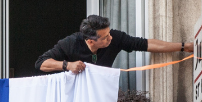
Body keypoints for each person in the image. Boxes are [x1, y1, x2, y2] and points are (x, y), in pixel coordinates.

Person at [36, 15, 193, 75]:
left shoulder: (115, 38)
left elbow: (146, 44)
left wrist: (183, 46)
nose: (110, 38)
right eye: (105, 37)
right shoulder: (70, 43)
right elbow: (41, 63)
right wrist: (68, 65)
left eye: (109, 33)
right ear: (90, 40)